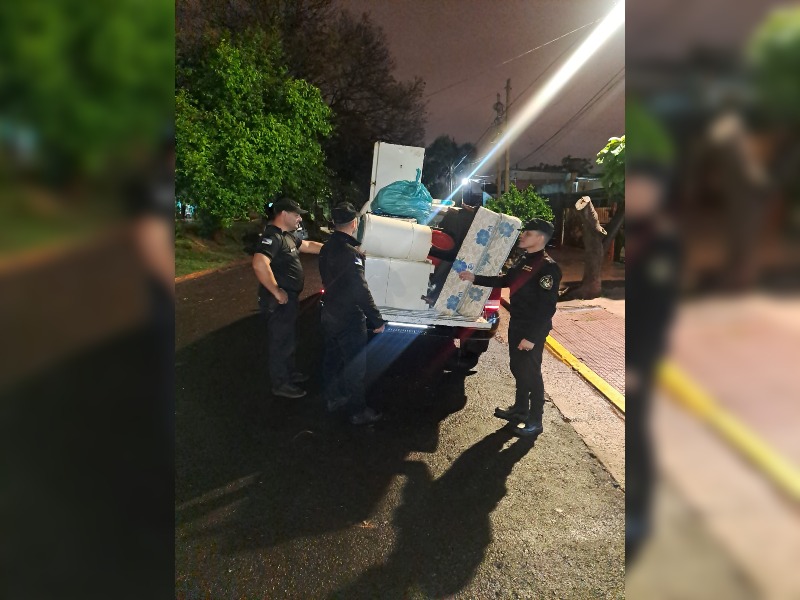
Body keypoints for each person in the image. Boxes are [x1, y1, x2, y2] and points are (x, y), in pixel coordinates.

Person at [458, 218, 561, 437]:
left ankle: (535, 421)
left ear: (540, 238)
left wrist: (531, 337)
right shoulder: (525, 259)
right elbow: (506, 280)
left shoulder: (548, 267)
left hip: (531, 328)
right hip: (518, 323)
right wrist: (474, 278)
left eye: (528, 233)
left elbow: (547, 308)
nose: (522, 236)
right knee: (518, 368)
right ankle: (520, 410)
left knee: (531, 373)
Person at [318, 203, 386, 425]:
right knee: (355, 366)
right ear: (354, 223)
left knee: (332, 358)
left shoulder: (326, 248)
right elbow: (360, 290)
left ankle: (333, 398)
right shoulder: (350, 254)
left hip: (329, 312)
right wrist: (376, 319)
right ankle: (358, 411)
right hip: (349, 318)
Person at [252, 197, 323, 398]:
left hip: (289, 299)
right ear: (284, 214)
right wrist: (276, 291)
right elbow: (259, 263)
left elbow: (307, 245)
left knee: (288, 339)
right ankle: (281, 384)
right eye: (296, 215)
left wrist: (333, 247)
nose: (299, 218)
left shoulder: (287, 236)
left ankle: (289, 374)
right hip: (278, 301)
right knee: (280, 342)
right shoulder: (272, 237)